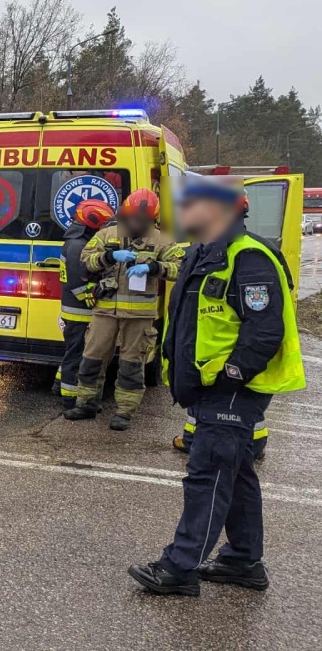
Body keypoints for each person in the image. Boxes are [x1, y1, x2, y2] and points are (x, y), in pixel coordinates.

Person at [128, 173, 305, 596]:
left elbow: (264, 330)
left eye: (192, 204)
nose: (183, 211)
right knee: (237, 471)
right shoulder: (203, 252)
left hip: (232, 388)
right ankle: (243, 560)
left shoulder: (250, 257)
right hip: (211, 385)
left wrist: (233, 374)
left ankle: (180, 567)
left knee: (207, 473)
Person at [66, 188, 184, 430]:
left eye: (142, 219)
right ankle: (86, 403)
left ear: (152, 219)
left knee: (132, 364)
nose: (136, 222)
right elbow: (86, 259)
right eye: (132, 217)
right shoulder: (108, 234)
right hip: (104, 312)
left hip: (139, 316)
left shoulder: (162, 241)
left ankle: (124, 412)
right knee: (91, 359)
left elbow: (181, 267)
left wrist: (153, 268)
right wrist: (109, 256)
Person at [56, 199, 115, 411]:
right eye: (101, 225)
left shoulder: (78, 241)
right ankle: (71, 400)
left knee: (72, 353)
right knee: (77, 356)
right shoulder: (77, 246)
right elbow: (77, 283)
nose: (103, 229)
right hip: (78, 312)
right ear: (91, 224)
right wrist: (96, 294)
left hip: (75, 310)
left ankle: (59, 386)